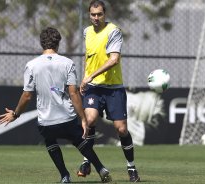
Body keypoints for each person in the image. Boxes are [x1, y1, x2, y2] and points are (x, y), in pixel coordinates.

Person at [0, 27, 112, 183]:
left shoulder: (31, 65)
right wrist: (83, 119)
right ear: (58, 43)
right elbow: (73, 93)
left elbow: (27, 95)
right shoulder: (67, 63)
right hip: (67, 118)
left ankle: (65, 176)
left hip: (47, 121)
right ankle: (101, 168)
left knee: (50, 140)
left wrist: (16, 114)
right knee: (79, 141)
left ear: (41, 44)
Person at [77, 0, 140, 182]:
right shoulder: (87, 32)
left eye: (99, 14)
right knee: (89, 120)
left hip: (113, 88)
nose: (96, 18)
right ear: (89, 15)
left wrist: (91, 76)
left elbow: (114, 60)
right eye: (93, 14)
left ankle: (131, 167)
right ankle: (86, 161)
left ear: (105, 14)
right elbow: (88, 57)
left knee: (121, 129)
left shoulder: (114, 31)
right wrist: (85, 77)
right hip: (94, 88)